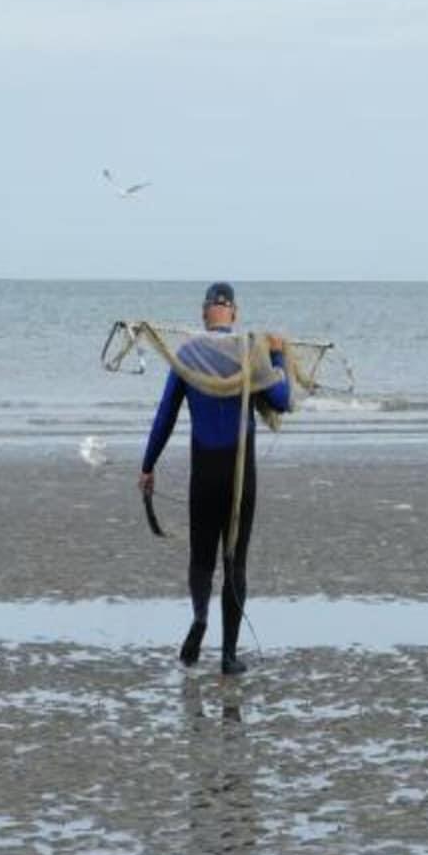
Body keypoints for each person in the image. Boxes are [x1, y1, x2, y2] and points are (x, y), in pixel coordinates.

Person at [138, 281, 291, 676]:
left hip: (204, 472)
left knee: (202, 559)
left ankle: (200, 618)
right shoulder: (251, 352)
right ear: (234, 313)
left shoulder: (187, 354)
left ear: (204, 312)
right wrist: (277, 354)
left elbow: (165, 415)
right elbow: (282, 401)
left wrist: (148, 465)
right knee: (235, 563)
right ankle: (228, 656)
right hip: (240, 476)